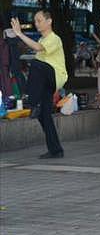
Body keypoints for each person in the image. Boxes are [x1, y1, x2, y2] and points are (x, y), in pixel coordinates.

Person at [10, 11, 67, 158]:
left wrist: (20, 34)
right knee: (44, 116)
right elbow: (37, 48)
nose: (37, 23)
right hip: (45, 81)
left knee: (36, 63)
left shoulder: (54, 38)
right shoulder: (42, 39)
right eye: (35, 21)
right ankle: (56, 150)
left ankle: (31, 101)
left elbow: (38, 49)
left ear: (49, 21)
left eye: (39, 20)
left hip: (55, 76)